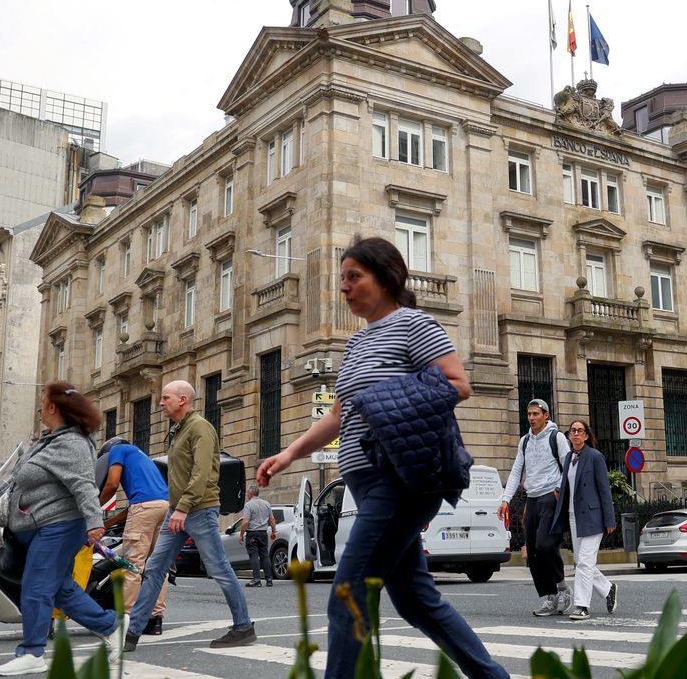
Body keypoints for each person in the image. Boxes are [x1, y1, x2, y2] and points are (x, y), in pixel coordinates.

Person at [257, 236, 509, 679]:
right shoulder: (356, 344)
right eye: (343, 279)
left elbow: (458, 384)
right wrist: (290, 452)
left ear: (386, 277)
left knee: (347, 594)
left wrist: (387, 398)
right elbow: (339, 415)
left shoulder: (416, 325)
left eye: (354, 277)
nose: (345, 288)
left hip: (400, 478)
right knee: (414, 600)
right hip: (365, 481)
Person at [0, 383, 126, 676]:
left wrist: (95, 523)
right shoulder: (51, 440)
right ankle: (112, 626)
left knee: (36, 586)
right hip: (41, 526)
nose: (40, 407)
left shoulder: (73, 444)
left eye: (42, 402)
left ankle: (32, 652)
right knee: (60, 589)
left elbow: (84, 485)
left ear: (53, 407)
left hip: (59, 526)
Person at [122, 380, 255, 652]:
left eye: (165, 398)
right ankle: (131, 634)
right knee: (155, 568)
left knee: (219, 569)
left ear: (183, 400)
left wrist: (183, 507)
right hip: (178, 510)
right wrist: (177, 508)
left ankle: (243, 627)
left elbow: (202, 471)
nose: (161, 403)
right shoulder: (179, 430)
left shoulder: (200, 428)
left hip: (199, 510)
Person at [498, 399, 570, 617]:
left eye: (535, 414)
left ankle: (562, 587)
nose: (531, 418)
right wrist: (505, 499)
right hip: (532, 498)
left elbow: (568, 465)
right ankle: (549, 598)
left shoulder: (556, 437)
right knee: (533, 551)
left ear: (545, 415)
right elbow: (516, 470)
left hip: (550, 496)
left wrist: (559, 487)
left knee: (546, 545)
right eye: (529, 414)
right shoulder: (525, 441)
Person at [96, 436, 171, 635]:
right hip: (164, 507)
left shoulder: (117, 452)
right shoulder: (142, 456)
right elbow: (136, 507)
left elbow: (112, 484)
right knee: (158, 566)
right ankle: (155, 619)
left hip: (144, 508)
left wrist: (92, 508)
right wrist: (106, 523)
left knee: (132, 565)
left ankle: (127, 619)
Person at [548, 421, 616, 621]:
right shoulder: (569, 457)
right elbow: (568, 484)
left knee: (585, 563)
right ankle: (608, 588)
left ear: (586, 435)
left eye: (580, 431)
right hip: (574, 516)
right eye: (572, 431)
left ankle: (582, 606)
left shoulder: (595, 457)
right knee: (581, 561)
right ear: (569, 436)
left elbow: (604, 489)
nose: (576, 434)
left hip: (593, 517)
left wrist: (609, 518)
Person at [239, 485, 278, 587]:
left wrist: (241, 534)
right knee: (265, 555)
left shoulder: (248, 505)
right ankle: (269, 579)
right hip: (263, 533)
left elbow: (245, 522)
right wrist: (274, 532)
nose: (247, 494)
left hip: (252, 533)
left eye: (248, 492)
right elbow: (272, 519)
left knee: (254, 556)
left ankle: (256, 579)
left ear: (251, 493)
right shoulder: (266, 504)